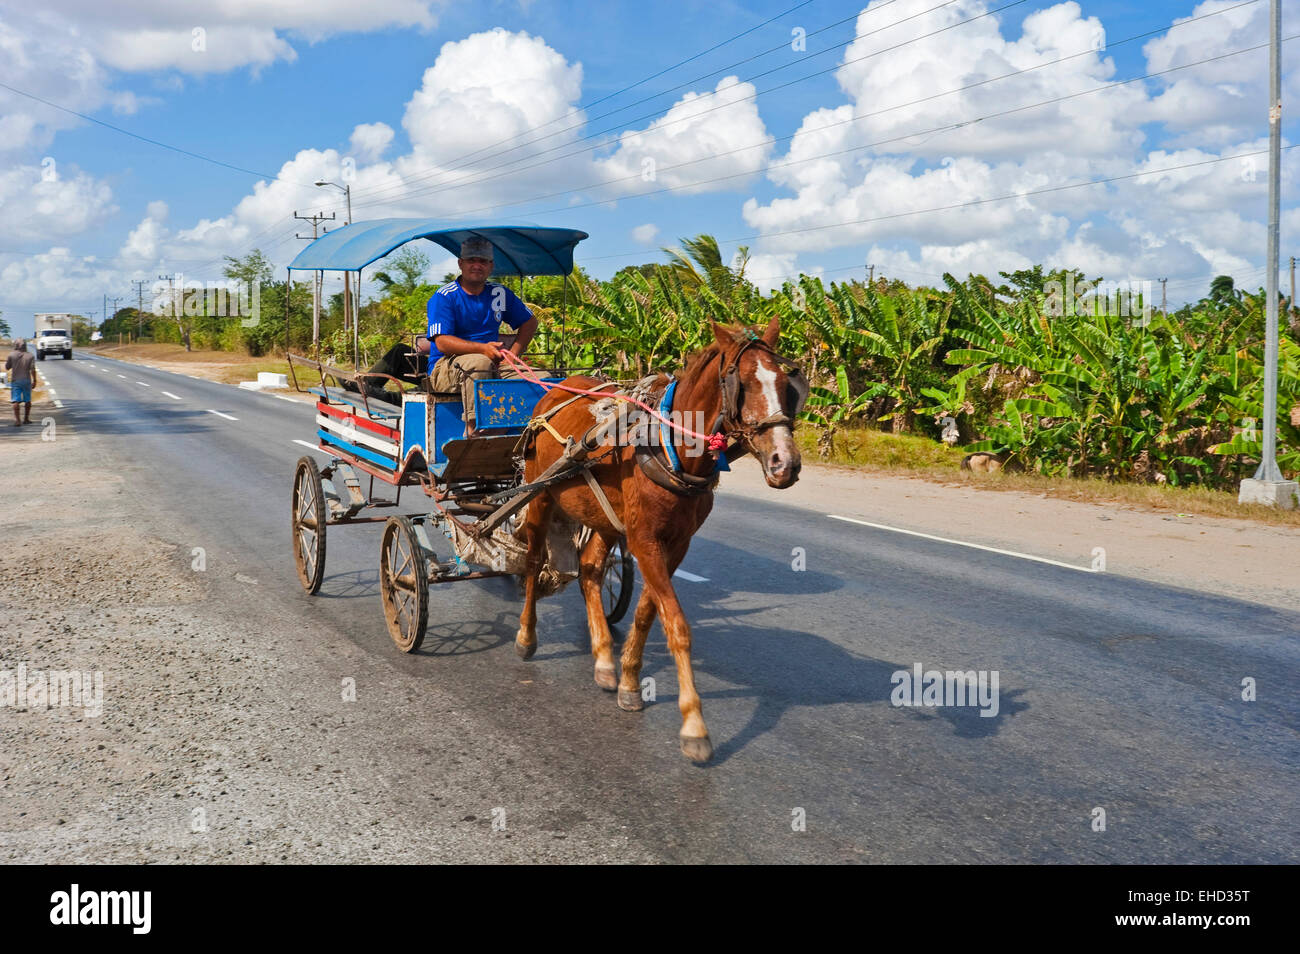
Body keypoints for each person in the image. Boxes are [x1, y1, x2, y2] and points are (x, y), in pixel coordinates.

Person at [425, 236, 537, 435]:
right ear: (461, 264)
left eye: (483, 261)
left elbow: (529, 322)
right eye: (471, 260)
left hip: (493, 362)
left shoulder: (499, 293)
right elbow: (442, 342)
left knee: (541, 378)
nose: (477, 265)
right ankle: (475, 431)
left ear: (491, 266)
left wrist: (513, 356)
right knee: (480, 364)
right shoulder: (445, 296)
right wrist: (482, 349)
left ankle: (530, 432)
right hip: (446, 367)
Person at [5, 339, 36, 427]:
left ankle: (18, 420)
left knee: (15, 400)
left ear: (16, 345)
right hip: (27, 380)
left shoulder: (11, 355)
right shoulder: (30, 356)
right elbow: (33, 369)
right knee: (28, 400)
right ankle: (26, 419)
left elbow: (7, 367)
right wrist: (35, 380)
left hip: (16, 380)